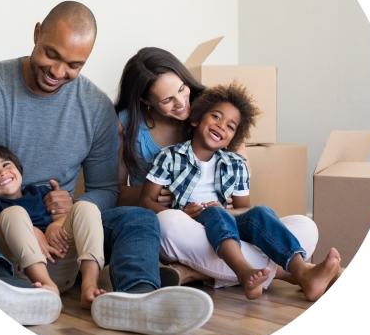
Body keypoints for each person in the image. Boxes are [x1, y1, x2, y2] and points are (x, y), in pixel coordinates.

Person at [0, 1, 213, 335]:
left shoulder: (95, 107)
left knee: (139, 217)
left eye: (74, 65)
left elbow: (106, 189)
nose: (58, 72)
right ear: (36, 33)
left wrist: (72, 207)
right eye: (52, 55)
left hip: (61, 233)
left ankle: (137, 297)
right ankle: (0, 283)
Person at [115, 46, 321, 290]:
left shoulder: (214, 109)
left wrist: (228, 199)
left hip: (224, 221)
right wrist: (162, 197)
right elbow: (114, 191)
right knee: (169, 222)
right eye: (168, 100)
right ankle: (286, 271)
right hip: (179, 225)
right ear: (145, 100)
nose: (183, 103)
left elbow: (242, 180)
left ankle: (192, 272)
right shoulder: (130, 126)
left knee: (306, 227)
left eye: (182, 89)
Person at [139, 81, 341, 301]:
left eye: (230, 126)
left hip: (227, 229)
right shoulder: (170, 157)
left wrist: (225, 211)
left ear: (232, 139)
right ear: (196, 118)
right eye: (216, 117)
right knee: (170, 220)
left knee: (291, 221)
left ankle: (299, 270)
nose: (221, 126)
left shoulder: (236, 164)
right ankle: (253, 271)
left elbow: (244, 209)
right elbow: (146, 201)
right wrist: (184, 212)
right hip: (189, 229)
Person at [0, 143, 106, 309]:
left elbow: (63, 216)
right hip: (26, 272)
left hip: (62, 262)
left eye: (6, 164)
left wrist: (55, 225)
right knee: (13, 213)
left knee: (86, 207)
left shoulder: (39, 192)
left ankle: (89, 286)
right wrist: (32, 231)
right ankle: (47, 286)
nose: (2, 172)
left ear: (19, 169)